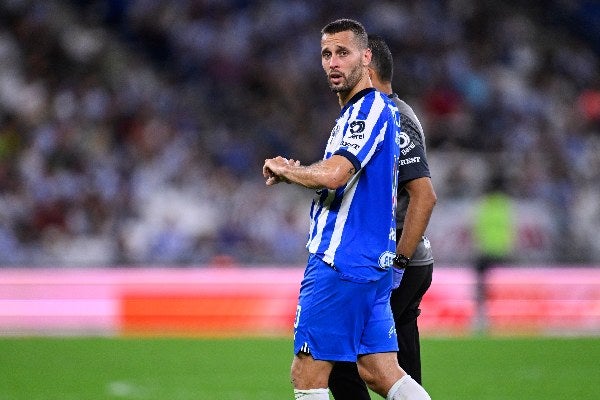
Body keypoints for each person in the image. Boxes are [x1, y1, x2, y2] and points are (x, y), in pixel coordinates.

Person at [262, 19, 431, 400]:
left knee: (307, 374)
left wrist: (289, 170)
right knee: (379, 371)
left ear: (366, 58)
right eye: (326, 54)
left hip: (340, 262)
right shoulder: (372, 112)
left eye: (343, 52)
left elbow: (337, 174)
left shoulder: (366, 110)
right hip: (369, 266)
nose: (333, 62)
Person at [328, 35, 437, 399]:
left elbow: (424, 194)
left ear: (368, 68)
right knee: (400, 370)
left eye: (347, 57)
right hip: (400, 258)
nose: (336, 66)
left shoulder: (390, 115)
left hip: (391, 259)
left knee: (339, 358)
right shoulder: (390, 111)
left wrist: (399, 265)